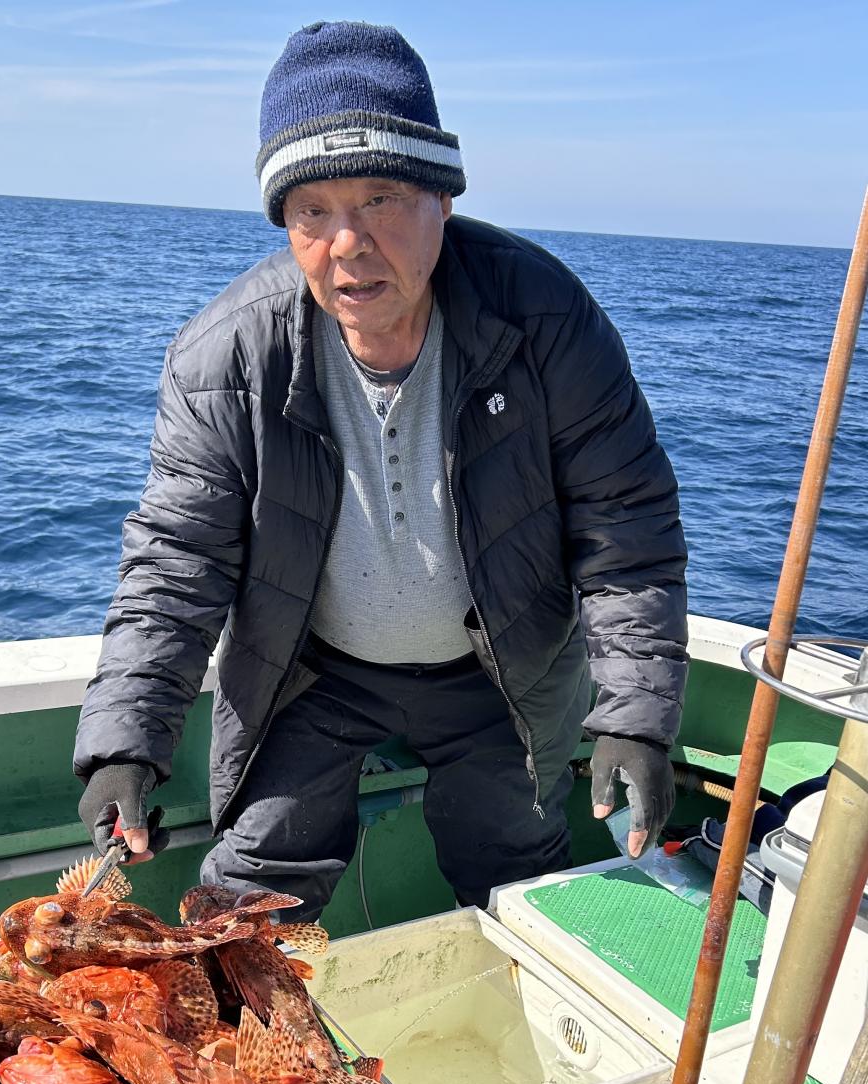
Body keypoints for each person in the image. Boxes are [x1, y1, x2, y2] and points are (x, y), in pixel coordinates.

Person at [74, 21, 689, 920]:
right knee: (249, 891)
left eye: (382, 198)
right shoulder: (225, 355)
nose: (347, 242)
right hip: (314, 670)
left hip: (501, 669)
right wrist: (124, 743)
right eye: (311, 210)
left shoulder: (549, 320)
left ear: (444, 198)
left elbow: (623, 528)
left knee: (518, 872)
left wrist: (635, 718)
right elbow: (178, 560)